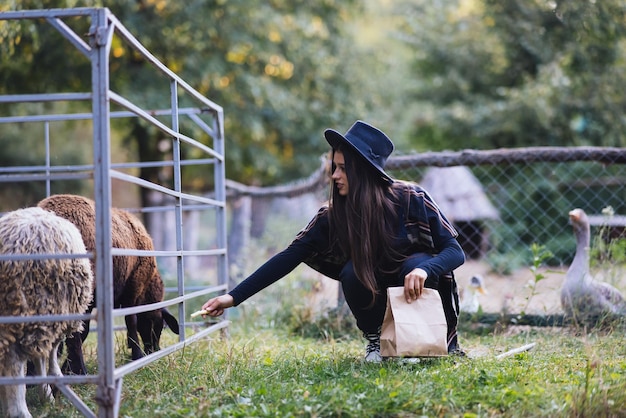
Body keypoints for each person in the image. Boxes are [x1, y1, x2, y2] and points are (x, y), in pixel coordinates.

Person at [202, 120, 466, 362]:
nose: (334, 176)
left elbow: (455, 252)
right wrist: (233, 297)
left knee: (416, 264)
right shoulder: (333, 216)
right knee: (352, 272)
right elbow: (288, 257)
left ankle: (423, 342)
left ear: (362, 171)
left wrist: (424, 269)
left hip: (416, 290)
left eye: (342, 168)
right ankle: (376, 342)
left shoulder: (412, 198)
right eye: (334, 167)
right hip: (376, 294)